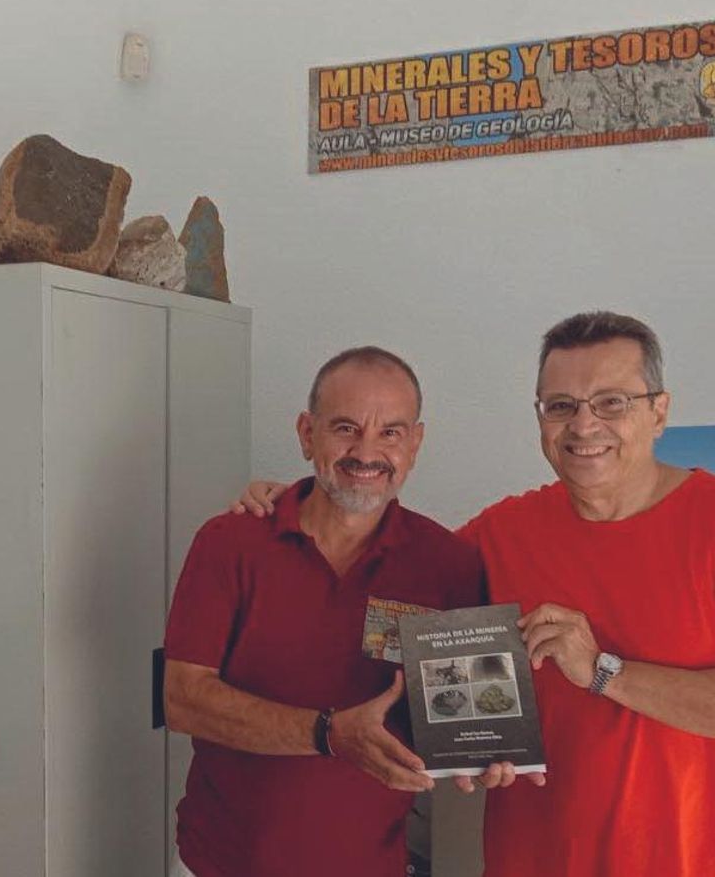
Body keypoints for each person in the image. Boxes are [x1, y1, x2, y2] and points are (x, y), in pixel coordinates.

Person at [235, 312, 715, 876]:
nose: (584, 426)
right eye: (561, 406)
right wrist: (298, 503)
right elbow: (384, 578)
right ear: (540, 418)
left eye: (612, 402)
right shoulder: (502, 533)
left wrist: (603, 671)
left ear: (659, 411)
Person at [163, 346, 536, 877]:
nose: (367, 452)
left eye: (391, 432)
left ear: (415, 443)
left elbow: (463, 713)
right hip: (217, 865)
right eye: (345, 428)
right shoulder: (230, 542)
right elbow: (184, 700)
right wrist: (328, 734)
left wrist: (488, 754)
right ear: (305, 433)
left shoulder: (449, 562)